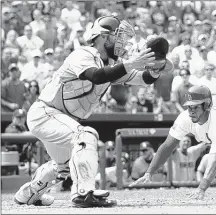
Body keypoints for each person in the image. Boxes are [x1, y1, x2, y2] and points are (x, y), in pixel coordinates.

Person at [13, 16, 173, 208]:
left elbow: (143, 78)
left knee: (63, 167)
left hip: (63, 119)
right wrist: (131, 64)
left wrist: (155, 68)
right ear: (102, 37)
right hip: (45, 113)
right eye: (119, 36)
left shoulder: (114, 62)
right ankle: (83, 194)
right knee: (86, 135)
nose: (123, 42)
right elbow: (96, 76)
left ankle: (28, 194)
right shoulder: (82, 54)